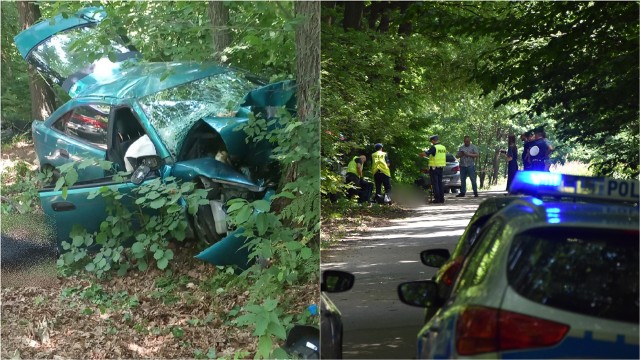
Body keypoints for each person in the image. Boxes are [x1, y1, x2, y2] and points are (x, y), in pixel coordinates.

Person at [420, 135, 446, 204]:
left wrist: (420, 154)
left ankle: (437, 199)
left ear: (433, 141)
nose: (431, 143)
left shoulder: (434, 147)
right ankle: (441, 199)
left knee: (435, 183)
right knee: (440, 183)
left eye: (431, 141)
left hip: (434, 168)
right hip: (441, 167)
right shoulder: (443, 147)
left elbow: (426, 154)